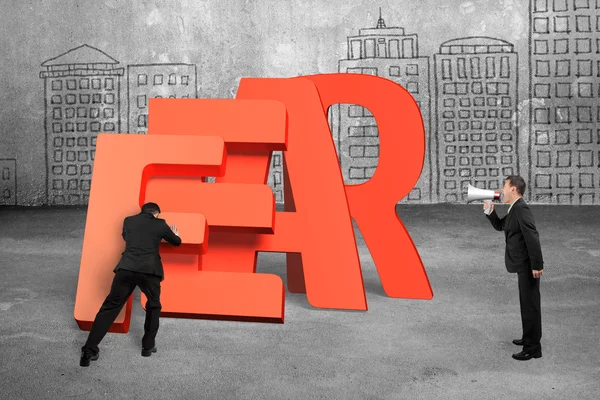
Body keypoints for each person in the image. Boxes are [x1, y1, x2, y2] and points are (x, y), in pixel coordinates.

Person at [80, 202, 181, 367]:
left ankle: (89, 351)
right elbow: (176, 242)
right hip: (149, 271)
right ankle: (147, 347)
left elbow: (126, 237)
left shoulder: (129, 221)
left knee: (110, 308)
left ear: (142, 211)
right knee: (153, 306)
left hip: (126, 268)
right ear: (156, 213)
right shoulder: (160, 224)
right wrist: (175, 234)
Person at [483, 175, 544, 361]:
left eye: (504, 186)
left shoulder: (521, 209)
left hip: (528, 265)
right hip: (522, 264)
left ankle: (533, 348)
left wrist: (537, 265)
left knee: (530, 306)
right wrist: (490, 212)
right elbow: (502, 226)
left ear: (513, 189)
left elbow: (532, 236)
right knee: (526, 304)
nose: (501, 189)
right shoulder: (514, 209)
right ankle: (528, 338)